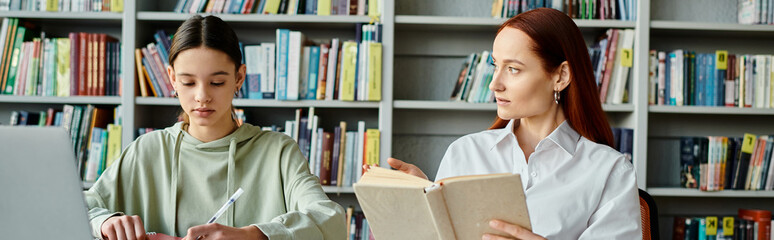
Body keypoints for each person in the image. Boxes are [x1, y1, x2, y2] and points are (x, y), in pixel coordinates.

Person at [385, 8, 641, 240]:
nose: (494, 84)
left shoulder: (610, 171)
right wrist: (423, 203)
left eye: (514, 69)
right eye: (496, 66)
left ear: (560, 76)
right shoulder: (464, 152)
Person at [84, 15, 346, 240]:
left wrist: (253, 235)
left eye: (217, 83)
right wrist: (106, 222)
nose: (202, 96)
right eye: (188, 83)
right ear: (172, 79)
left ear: (239, 78)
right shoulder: (146, 150)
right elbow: (80, 207)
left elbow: (330, 220)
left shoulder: (278, 152)